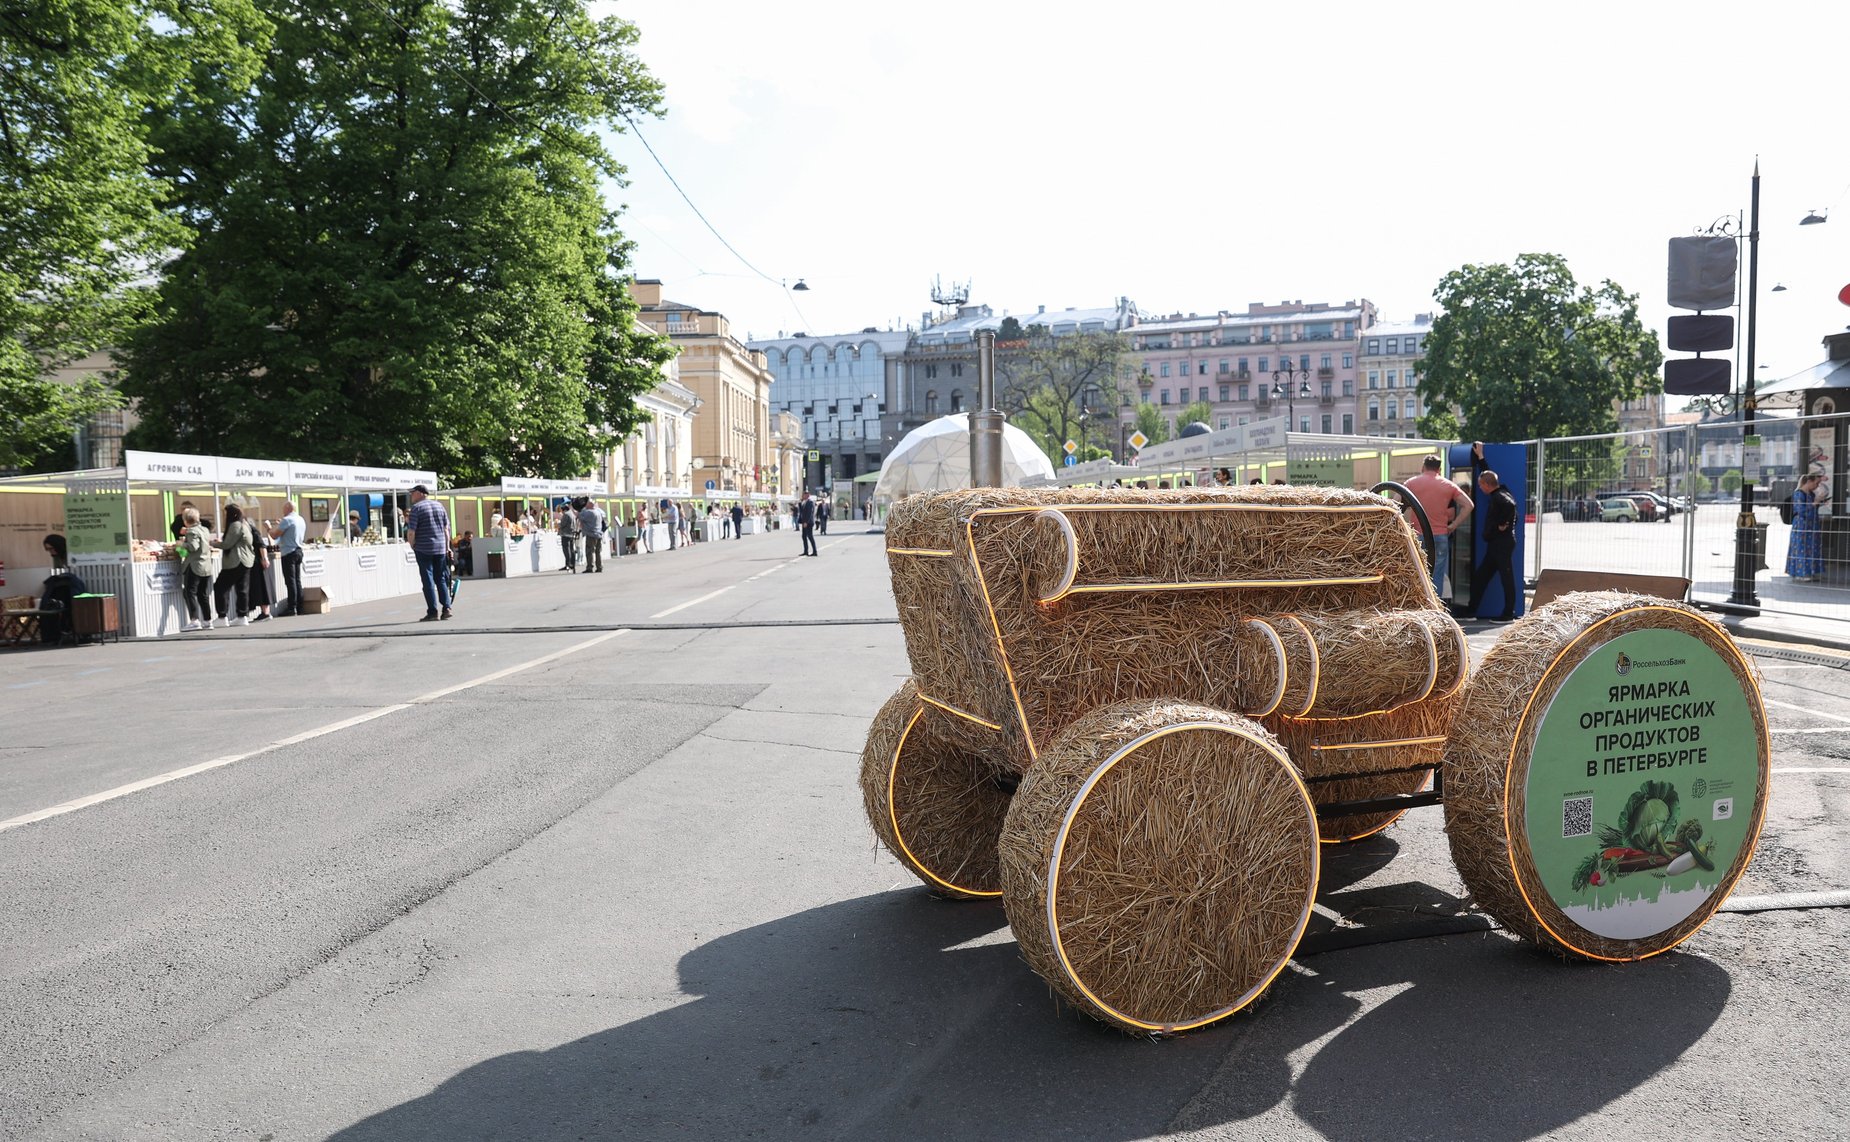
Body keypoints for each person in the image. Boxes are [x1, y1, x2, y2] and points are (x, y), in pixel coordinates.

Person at [1402, 455, 1477, 599]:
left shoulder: (1411, 483)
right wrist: (1453, 526)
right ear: (1439, 469)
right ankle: (1435, 607)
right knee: (1437, 574)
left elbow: (1395, 504)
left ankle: (1418, 604)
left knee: (1416, 571)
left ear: (1423, 467)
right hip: (1440, 535)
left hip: (1417, 535)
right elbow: (1469, 505)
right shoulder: (1448, 485)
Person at [1467, 468, 1519, 621]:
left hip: (1501, 544)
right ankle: (1471, 610)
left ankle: (1508, 613)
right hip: (1496, 544)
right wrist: (1482, 459)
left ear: (1487, 484)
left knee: (1506, 578)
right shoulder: (1501, 492)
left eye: (1481, 485)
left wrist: (1502, 524)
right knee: (1481, 576)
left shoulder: (1500, 496)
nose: (1480, 488)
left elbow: (1510, 506)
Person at [404, 484, 453, 620]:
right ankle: (447, 608)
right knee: (441, 578)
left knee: (428, 580)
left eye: (413, 493)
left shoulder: (416, 509)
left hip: (424, 549)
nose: (411, 495)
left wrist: (412, 545)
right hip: (440, 548)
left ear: (420, 493)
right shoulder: (439, 506)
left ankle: (432, 612)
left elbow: (411, 531)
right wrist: (447, 547)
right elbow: (446, 529)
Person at [209, 503, 256, 627]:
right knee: (242, 589)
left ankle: (222, 616)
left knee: (220, 586)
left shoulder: (235, 525)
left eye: (225, 514)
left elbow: (227, 544)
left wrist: (213, 544)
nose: (224, 517)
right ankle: (242, 616)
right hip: (247, 561)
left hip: (236, 561)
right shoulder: (245, 524)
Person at [37, 534, 87, 645]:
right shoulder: (59, 558)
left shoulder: (69, 555)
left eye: (51, 548)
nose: (50, 552)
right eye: (48, 549)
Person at [173, 506, 214, 631]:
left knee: (189, 592)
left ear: (185, 521)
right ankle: (207, 620)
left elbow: (193, 547)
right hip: (206, 565)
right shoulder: (205, 529)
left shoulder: (192, 532)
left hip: (194, 566)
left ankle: (194, 620)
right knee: (203, 594)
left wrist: (180, 544)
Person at [1787, 472, 1826, 582]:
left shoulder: (1811, 495)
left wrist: (1819, 502)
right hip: (1802, 525)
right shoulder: (1799, 494)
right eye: (1816, 483)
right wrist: (1814, 504)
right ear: (1809, 482)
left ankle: (1811, 571)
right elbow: (1800, 510)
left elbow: (1812, 508)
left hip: (1812, 525)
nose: (1817, 486)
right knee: (1801, 548)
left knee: (1812, 548)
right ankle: (1801, 573)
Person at [271, 502, 306, 618]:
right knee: (297, 580)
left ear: (288, 508)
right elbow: (290, 531)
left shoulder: (287, 520)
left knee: (290, 581)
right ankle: (300, 606)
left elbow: (275, 535)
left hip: (289, 552)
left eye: (283, 509)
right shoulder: (300, 519)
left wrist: (269, 528)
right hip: (299, 550)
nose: (282, 512)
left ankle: (292, 607)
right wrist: (280, 524)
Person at [248, 517, 276, 622]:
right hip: (258, 562)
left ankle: (265, 612)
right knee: (262, 587)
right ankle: (265, 612)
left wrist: (264, 558)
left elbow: (261, 545)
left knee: (262, 587)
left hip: (259, 563)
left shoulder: (254, 532)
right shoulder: (253, 531)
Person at [578, 498, 605, 572]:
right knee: (598, 552)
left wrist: (580, 508)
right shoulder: (598, 512)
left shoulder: (589, 512)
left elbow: (579, 515)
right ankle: (599, 567)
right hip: (599, 534)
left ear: (589, 505)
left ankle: (590, 567)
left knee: (590, 551)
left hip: (591, 534)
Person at [558, 500, 579, 573]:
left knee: (567, 550)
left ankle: (568, 564)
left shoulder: (566, 514)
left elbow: (563, 524)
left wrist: (559, 524)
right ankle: (572, 564)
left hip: (566, 534)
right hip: (572, 534)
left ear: (564, 510)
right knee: (571, 549)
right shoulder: (572, 514)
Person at [798, 491, 819, 556]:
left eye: (803, 495)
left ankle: (815, 551)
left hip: (808, 522)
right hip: (804, 522)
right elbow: (802, 511)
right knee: (804, 536)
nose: (802, 496)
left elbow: (809, 513)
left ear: (807, 495)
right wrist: (799, 503)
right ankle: (806, 551)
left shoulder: (810, 502)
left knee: (810, 536)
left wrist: (806, 522)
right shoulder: (804, 502)